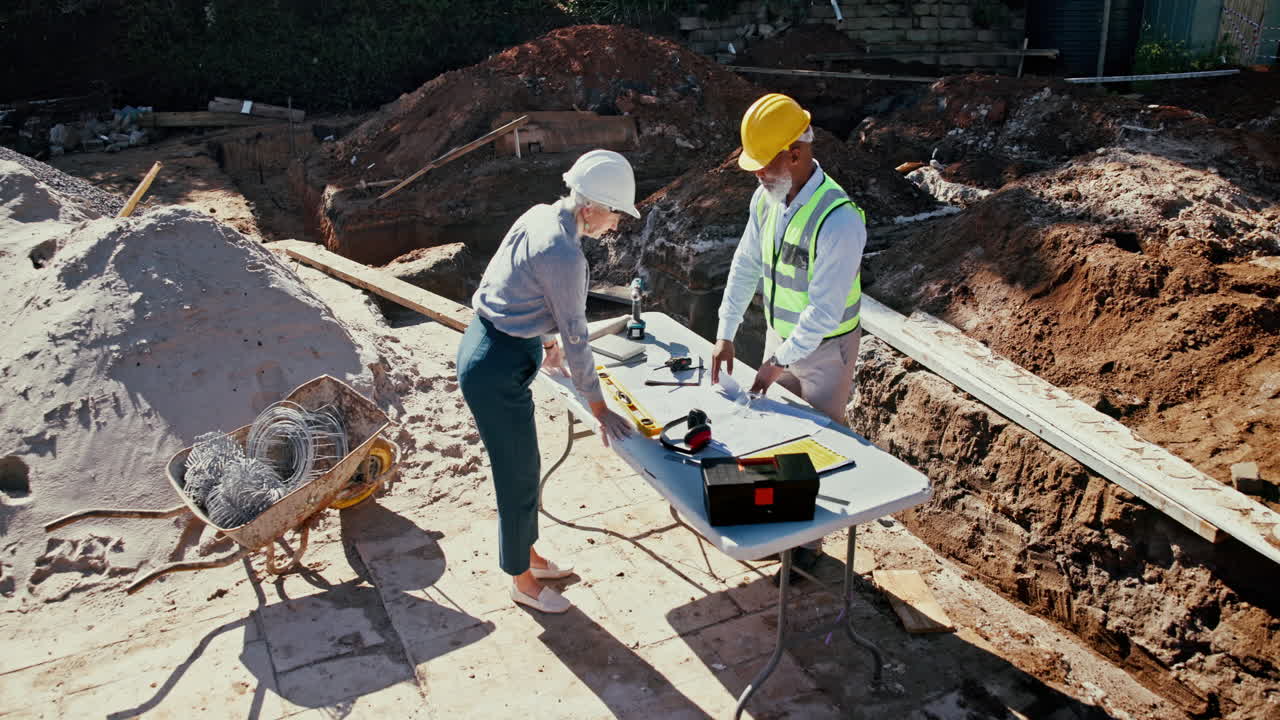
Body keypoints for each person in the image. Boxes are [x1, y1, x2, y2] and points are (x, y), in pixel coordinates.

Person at [457, 149, 637, 614]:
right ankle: (521, 580)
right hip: (495, 366)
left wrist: (545, 343)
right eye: (615, 214)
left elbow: (513, 286)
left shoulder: (539, 214)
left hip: (496, 346)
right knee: (516, 473)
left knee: (526, 464)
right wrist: (598, 407)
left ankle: (529, 556)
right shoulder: (564, 255)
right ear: (590, 208)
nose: (615, 224)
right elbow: (578, 337)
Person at [710, 93, 867, 581]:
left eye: (764, 164)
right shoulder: (767, 199)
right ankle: (779, 530)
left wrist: (779, 360)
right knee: (775, 438)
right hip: (781, 341)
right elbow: (745, 265)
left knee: (816, 448)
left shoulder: (839, 219)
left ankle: (807, 548)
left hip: (826, 352)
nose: (757, 174)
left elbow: (823, 311)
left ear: (795, 154)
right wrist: (726, 331)